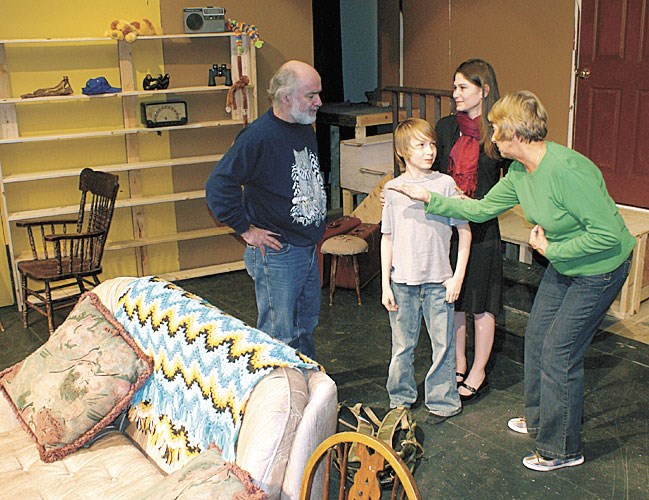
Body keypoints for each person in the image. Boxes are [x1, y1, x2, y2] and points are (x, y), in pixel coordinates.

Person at [390, 91, 635, 471]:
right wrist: (428, 197)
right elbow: (482, 208)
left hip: (601, 268)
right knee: (537, 338)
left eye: (496, 129)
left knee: (559, 351)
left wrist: (552, 249)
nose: (491, 136)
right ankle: (540, 419)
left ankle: (562, 448)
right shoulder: (520, 173)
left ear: (515, 134)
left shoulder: (570, 171)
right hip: (566, 260)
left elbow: (606, 236)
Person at [206, 60, 327, 359]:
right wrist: (246, 229)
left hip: (306, 247)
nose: (319, 102)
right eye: (311, 95)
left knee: (304, 327)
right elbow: (218, 185)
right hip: (278, 252)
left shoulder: (302, 126)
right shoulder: (258, 136)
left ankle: (304, 388)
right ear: (286, 98)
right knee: (279, 335)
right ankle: (279, 398)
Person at [381, 117, 471, 418]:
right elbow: (388, 238)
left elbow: (464, 231)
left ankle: (442, 400)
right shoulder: (392, 189)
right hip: (403, 282)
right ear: (403, 151)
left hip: (438, 282)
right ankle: (400, 397)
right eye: (420, 145)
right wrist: (385, 285)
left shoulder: (445, 185)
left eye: (432, 144)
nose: (429, 151)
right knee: (402, 346)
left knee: (443, 346)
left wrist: (456, 277)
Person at [433, 59, 510, 401]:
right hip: (449, 225)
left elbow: (518, 179)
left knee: (481, 303)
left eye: (463, 87)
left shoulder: (499, 134)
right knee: (455, 300)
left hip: (482, 228)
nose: (455, 94)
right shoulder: (447, 127)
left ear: (485, 90)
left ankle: (479, 370)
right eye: (454, 87)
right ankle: (458, 361)